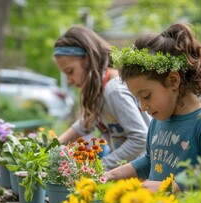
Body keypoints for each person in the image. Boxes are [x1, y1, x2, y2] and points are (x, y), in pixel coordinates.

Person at [103, 22, 201, 194]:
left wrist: (172, 187)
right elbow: (150, 160)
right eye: (138, 99)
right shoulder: (158, 121)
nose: (142, 107)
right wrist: (112, 174)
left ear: (173, 81)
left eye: (146, 96)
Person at [53, 26, 150, 170]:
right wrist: (50, 149)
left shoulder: (113, 91)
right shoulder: (102, 90)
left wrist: (100, 168)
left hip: (143, 174)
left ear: (87, 59)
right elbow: (85, 124)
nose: (69, 81)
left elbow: (140, 138)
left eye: (70, 72)